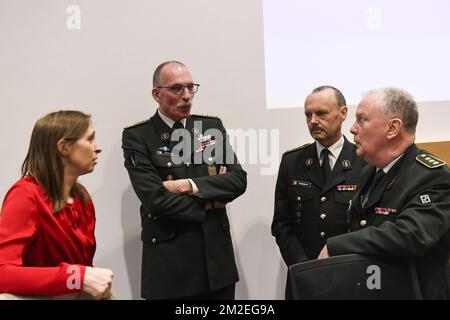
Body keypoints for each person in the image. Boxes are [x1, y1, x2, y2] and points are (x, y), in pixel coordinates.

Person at [122, 61, 247, 300]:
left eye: (191, 87)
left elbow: (237, 180)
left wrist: (188, 186)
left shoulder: (210, 126)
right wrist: (209, 203)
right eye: (177, 89)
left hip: (216, 266)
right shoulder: (138, 136)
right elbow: (155, 200)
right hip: (170, 267)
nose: (187, 96)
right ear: (156, 94)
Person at [318, 88, 450, 299]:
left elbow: (409, 235)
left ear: (393, 128)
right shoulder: (370, 171)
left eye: (362, 120)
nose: (352, 129)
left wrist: (336, 246)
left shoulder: (434, 177)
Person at [0, 111, 114, 300]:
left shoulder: (81, 198)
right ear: (63, 147)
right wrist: (76, 276)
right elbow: (2, 273)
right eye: (90, 139)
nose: (98, 147)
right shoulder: (25, 195)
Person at [272, 86, 366, 298]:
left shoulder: (365, 161)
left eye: (321, 113)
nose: (313, 121)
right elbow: (281, 224)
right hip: (304, 278)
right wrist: (305, 267)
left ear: (343, 114)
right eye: (308, 115)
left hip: (351, 276)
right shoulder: (292, 161)